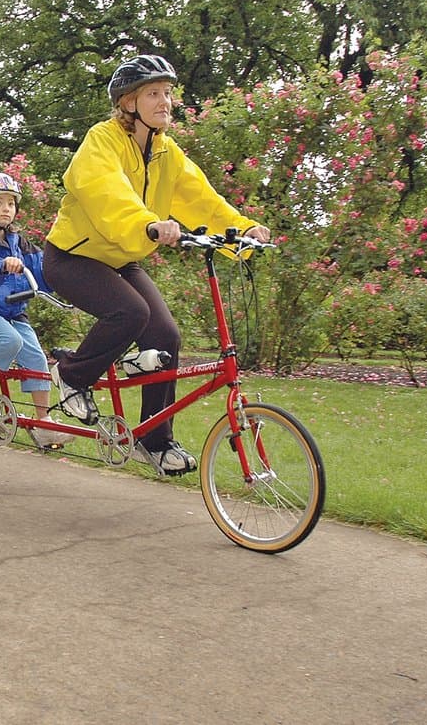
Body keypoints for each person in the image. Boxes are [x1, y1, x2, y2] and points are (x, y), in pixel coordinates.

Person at [42, 55, 271, 474]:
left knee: (165, 335)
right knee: (130, 312)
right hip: (72, 256)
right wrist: (147, 224)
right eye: (153, 93)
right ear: (129, 102)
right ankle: (73, 375)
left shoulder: (167, 152)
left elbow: (201, 198)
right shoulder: (102, 140)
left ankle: (154, 438)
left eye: (167, 93)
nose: (165, 101)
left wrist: (242, 228)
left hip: (122, 256)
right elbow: (106, 192)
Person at [0, 172, 72, 449]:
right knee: (11, 340)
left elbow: (43, 269)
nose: (6, 208)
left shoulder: (18, 242)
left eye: (11, 203)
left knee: (36, 358)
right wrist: (1, 264)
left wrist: (69, 274)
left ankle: (43, 423)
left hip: (12, 310)